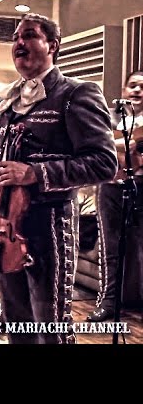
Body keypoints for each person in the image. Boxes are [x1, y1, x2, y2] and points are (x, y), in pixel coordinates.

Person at [0, 13, 117, 344]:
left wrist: (35, 173)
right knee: (16, 321)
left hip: (50, 227)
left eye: (29, 35)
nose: (19, 43)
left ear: (52, 46)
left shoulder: (76, 94)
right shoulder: (1, 100)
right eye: (16, 37)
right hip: (2, 228)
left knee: (50, 325)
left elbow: (104, 163)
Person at [87, 70, 143, 322]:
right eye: (133, 86)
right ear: (124, 91)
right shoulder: (110, 118)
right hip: (110, 187)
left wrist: (121, 145)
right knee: (109, 246)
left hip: (141, 186)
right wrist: (124, 144)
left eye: (142, 87)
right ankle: (108, 302)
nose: (137, 91)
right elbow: (96, 144)